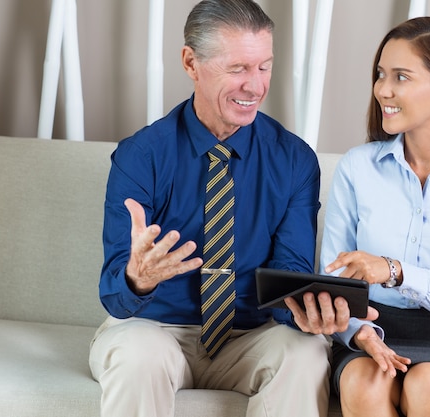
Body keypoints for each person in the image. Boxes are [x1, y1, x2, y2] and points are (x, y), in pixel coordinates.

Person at [88, 1, 331, 416]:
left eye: (264, 67)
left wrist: (307, 312)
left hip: (251, 335)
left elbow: (290, 272)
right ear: (191, 62)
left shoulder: (294, 161)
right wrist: (138, 277)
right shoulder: (141, 155)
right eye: (238, 69)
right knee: (137, 356)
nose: (254, 87)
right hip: (156, 329)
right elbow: (114, 294)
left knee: (305, 353)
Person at [287, 16, 430, 417]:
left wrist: (395, 272)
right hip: (372, 333)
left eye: (401, 77)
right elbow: (334, 281)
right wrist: (360, 334)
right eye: (380, 74)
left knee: (427, 383)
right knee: (365, 382)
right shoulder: (357, 167)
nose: (383, 90)